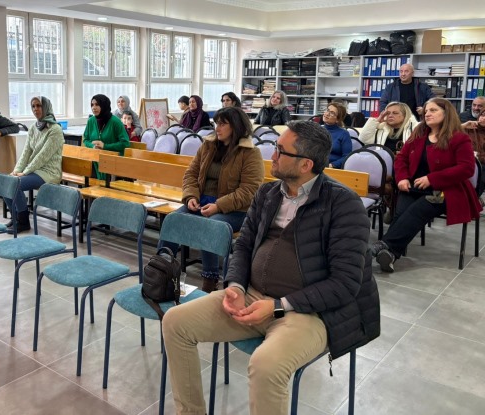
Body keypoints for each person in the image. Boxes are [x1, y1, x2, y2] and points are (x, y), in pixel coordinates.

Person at [162, 121, 380, 415]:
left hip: (306, 313)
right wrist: (235, 286)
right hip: (252, 297)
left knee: (265, 365)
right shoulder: (268, 193)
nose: (272, 156)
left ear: (305, 164)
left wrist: (277, 306)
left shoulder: (343, 204)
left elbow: (345, 284)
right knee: (175, 322)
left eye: (280, 150)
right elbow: (243, 246)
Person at [160, 106, 264, 293]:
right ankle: (161, 270)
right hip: (202, 201)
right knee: (173, 220)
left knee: (211, 226)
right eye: (216, 123)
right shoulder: (208, 145)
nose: (217, 128)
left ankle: (210, 279)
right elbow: (191, 174)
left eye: (223, 124)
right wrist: (191, 196)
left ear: (236, 126)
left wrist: (218, 205)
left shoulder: (250, 152)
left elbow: (249, 190)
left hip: (235, 209)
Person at [371, 98, 482, 273]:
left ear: (446, 113)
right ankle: (390, 254)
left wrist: (432, 178)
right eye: (426, 111)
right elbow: (402, 158)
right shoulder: (419, 133)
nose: (427, 114)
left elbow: (466, 168)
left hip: (445, 190)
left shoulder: (459, 138)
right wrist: (402, 178)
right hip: (414, 186)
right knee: (401, 212)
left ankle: (383, 245)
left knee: (419, 209)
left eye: (433, 110)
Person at [5, 96, 64, 234]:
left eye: (39, 106)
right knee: (7, 181)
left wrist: (25, 172)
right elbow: (26, 153)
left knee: (15, 185)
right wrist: (16, 171)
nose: (36, 109)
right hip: (34, 170)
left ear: (46, 107)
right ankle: (16, 218)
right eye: (33, 106)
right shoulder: (33, 128)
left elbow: (42, 156)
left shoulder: (55, 129)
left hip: (49, 172)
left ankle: (23, 222)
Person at [82, 94, 130, 179]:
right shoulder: (91, 121)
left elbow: (125, 143)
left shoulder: (115, 122)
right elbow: (85, 140)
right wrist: (92, 146)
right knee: (86, 173)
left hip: (113, 162)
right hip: (95, 160)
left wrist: (105, 146)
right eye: (92, 105)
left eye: (97, 104)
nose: (94, 107)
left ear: (104, 105)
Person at [323, 102, 351, 168]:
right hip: (315, 166)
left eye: (332, 113)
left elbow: (347, 156)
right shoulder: (317, 130)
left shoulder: (344, 134)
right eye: (327, 110)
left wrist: (332, 165)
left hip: (333, 167)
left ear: (338, 120)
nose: (327, 114)